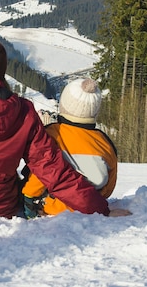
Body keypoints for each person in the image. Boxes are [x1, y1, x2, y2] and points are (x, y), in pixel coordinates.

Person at [0, 36, 129, 225]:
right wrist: (99, 208)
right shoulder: (23, 112)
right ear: (2, 72)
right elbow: (52, 170)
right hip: (3, 209)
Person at [22, 77, 119, 217]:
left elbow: (42, 171)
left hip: (52, 207)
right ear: (95, 111)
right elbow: (109, 186)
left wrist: (28, 194)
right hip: (91, 208)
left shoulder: (53, 134)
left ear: (64, 105)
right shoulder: (105, 143)